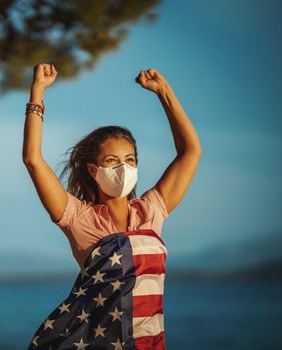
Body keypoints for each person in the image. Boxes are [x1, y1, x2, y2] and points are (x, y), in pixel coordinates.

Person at [23, 63, 202, 350]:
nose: (123, 167)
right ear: (93, 170)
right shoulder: (77, 217)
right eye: (112, 161)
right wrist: (37, 92)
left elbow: (191, 152)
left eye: (130, 160)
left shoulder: (151, 209)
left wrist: (163, 92)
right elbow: (33, 159)